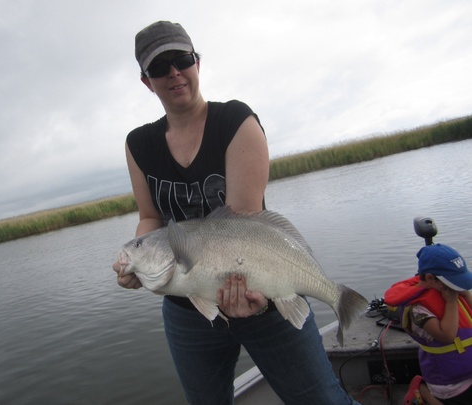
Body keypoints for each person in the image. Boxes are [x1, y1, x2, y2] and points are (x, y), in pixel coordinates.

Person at [113, 20, 359, 404]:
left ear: (197, 63)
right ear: (147, 81)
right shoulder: (138, 144)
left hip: (266, 297)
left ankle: (334, 297)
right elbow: (150, 218)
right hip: (186, 311)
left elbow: (245, 223)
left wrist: (262, 294)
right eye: (160, 68)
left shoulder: (236, 122)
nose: (174, 73)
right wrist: (135, 257)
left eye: (181, 60)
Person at [384, 244, 472, 405]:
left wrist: (465, 293)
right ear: (431, 279)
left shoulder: (448, 289)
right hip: (448, 383)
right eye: (454, 282)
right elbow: (447, 336)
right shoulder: (418, 309)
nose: (457, 287)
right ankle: (423, 391)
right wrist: (451, 302)